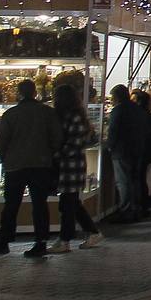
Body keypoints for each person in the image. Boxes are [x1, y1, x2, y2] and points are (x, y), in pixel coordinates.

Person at [0, 79, 62, 257]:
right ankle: (41, 241)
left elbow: (1, 141)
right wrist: (49, 155)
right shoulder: (47, 113)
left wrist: (5, 160)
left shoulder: (11, 114)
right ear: (35, 92)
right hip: (41, 164)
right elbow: (57, 138)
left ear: (19, 93)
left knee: (11, 205)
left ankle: (4, 240)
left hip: (15, 166)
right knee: (39, 204)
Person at [47, 83, 102, 252]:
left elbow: (75, 142)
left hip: (71, 165)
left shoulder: (73, 116)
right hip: (69, 164)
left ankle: (65, 239)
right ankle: (91, 232)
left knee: (68, 204)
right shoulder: (70, 115)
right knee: (72, 203)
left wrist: (57, 154)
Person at [105, 84, 149, 221]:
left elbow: (113, 131)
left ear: (116, 97)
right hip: (137, 149)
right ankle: (137, 208)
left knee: (123, 181)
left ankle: (126, 210)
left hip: (122, 151)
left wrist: (110, 146)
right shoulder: (137, 109)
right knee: (135, 180)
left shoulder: (118, 111)